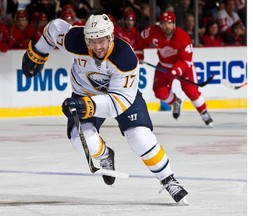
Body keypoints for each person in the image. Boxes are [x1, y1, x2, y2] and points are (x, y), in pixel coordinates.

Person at [21, 13, 188, 203]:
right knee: (80, 142)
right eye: (92, 41)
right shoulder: (75, 41)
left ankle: (168, 179)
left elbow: (117, 104)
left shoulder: (125, 58)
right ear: (86, 39)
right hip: (85, 94)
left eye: (102, 40)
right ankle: (105, 154)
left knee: (140, 137)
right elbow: (54, 28)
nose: (98, 46)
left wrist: (85, 105)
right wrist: (38, 52)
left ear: (110, 37)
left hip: (122, 97)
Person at [139, 11, 213, 127]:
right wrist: (138, 55)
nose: (166, 26)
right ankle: (176, 101)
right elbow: (140, 39)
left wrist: (176, 70)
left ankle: (204, 112)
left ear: (174, 23)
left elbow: (186, 60)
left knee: (190, 90)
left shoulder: (183, 37)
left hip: (183, 67)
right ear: (160, 24)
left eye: (169, 23)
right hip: (164, 65)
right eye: (163, 23)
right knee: (160, 92)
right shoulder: (153, 32)